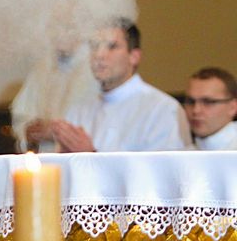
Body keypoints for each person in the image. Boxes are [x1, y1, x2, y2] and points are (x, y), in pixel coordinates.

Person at [24, 20, 189, 152]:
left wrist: (91, 155)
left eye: (111, 47)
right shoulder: (79, 110)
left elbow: (162, 179)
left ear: (134, 56)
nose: (99, 55)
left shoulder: (163, 110)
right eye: (95, 46)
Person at [184, 67, 237, 150]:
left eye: (208, 102)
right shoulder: (183, 155)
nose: (196, 110)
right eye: (191, 101)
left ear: (233, 107)